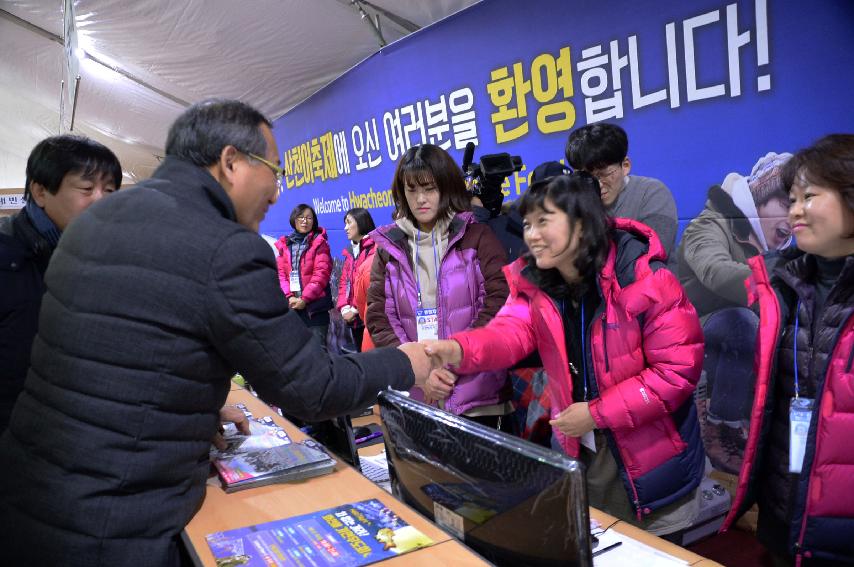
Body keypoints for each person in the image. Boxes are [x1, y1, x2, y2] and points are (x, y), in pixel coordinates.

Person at [0, 99, 433, 566]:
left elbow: (122, 354)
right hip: (112, 526)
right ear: (231, 163)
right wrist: (409, 360)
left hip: (28, 493)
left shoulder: (98, 220)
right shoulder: (226, 248)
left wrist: (191, 404)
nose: (276, 193)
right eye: (275, 171)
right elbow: (312, 388)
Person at [424, 172, 705, 534]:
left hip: (650, 463)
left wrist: (596, 414)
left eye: (544, 221)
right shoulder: (537, 282)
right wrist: (459, 348)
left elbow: (676, 373)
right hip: (581, 452)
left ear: (582, 222)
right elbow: (509, 335)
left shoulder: (643, 277)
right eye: (527, 224)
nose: (531, 235)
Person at [721, 134, 854, 566]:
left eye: (810, 196)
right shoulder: (784, 287)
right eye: (792, 197)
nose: (795, 210)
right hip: (784, 507)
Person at [366, 143, 511, 428]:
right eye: (412, 190)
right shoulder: (389, 248)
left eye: (429, 188)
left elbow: (497, 304)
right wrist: (419, 372)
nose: (420, 199)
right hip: (418, 395)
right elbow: (380, 318)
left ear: (446, 187)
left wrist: (455, 363)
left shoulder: (477, 236)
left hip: (477, 395)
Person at [677, 152, 792, 474]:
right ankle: (719, 426)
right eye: (785, 204)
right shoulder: (708, 225)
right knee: (743, 323)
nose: (792, 218)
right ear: (760, 198)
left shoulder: (769, 244)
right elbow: (716, 271)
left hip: (737, 325)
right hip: (694, 322)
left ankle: (751, 426)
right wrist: (773, 275)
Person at [0, 134, 121, 434]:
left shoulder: (100, 258)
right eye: (87, 188)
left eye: (110, 190)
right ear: (40, 192)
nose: (101, 200)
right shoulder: (8, 257)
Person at [565, 123, 679, 264]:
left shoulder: (652, 193)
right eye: (587, 177)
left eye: (604, 174)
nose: (597, 184)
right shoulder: (574, 201)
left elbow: (651, 254)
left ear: (625, 166)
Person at [275, 203, 333, 351]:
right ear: (294, 219)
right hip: (293, 309)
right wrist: (289, 297)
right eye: (301, 217)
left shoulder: (320, 243)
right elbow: (281, 274)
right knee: (297, 355)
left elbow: (321, 275)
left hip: (315, 310)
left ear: (314, 221)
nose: (305, 221)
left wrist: (304, 299)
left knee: (318, 356)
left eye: (309, 218)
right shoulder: (285, 245)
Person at [336, 207, 376, 351]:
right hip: (353, 320)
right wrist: (344, 307)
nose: (345, 228)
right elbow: (343, 283)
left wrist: (355, 310)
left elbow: (373, 285)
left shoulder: (375, 248)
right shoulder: (350, 252)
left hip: (369, 318)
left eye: (349, 223)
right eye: (344, 223)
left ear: (361, 222)